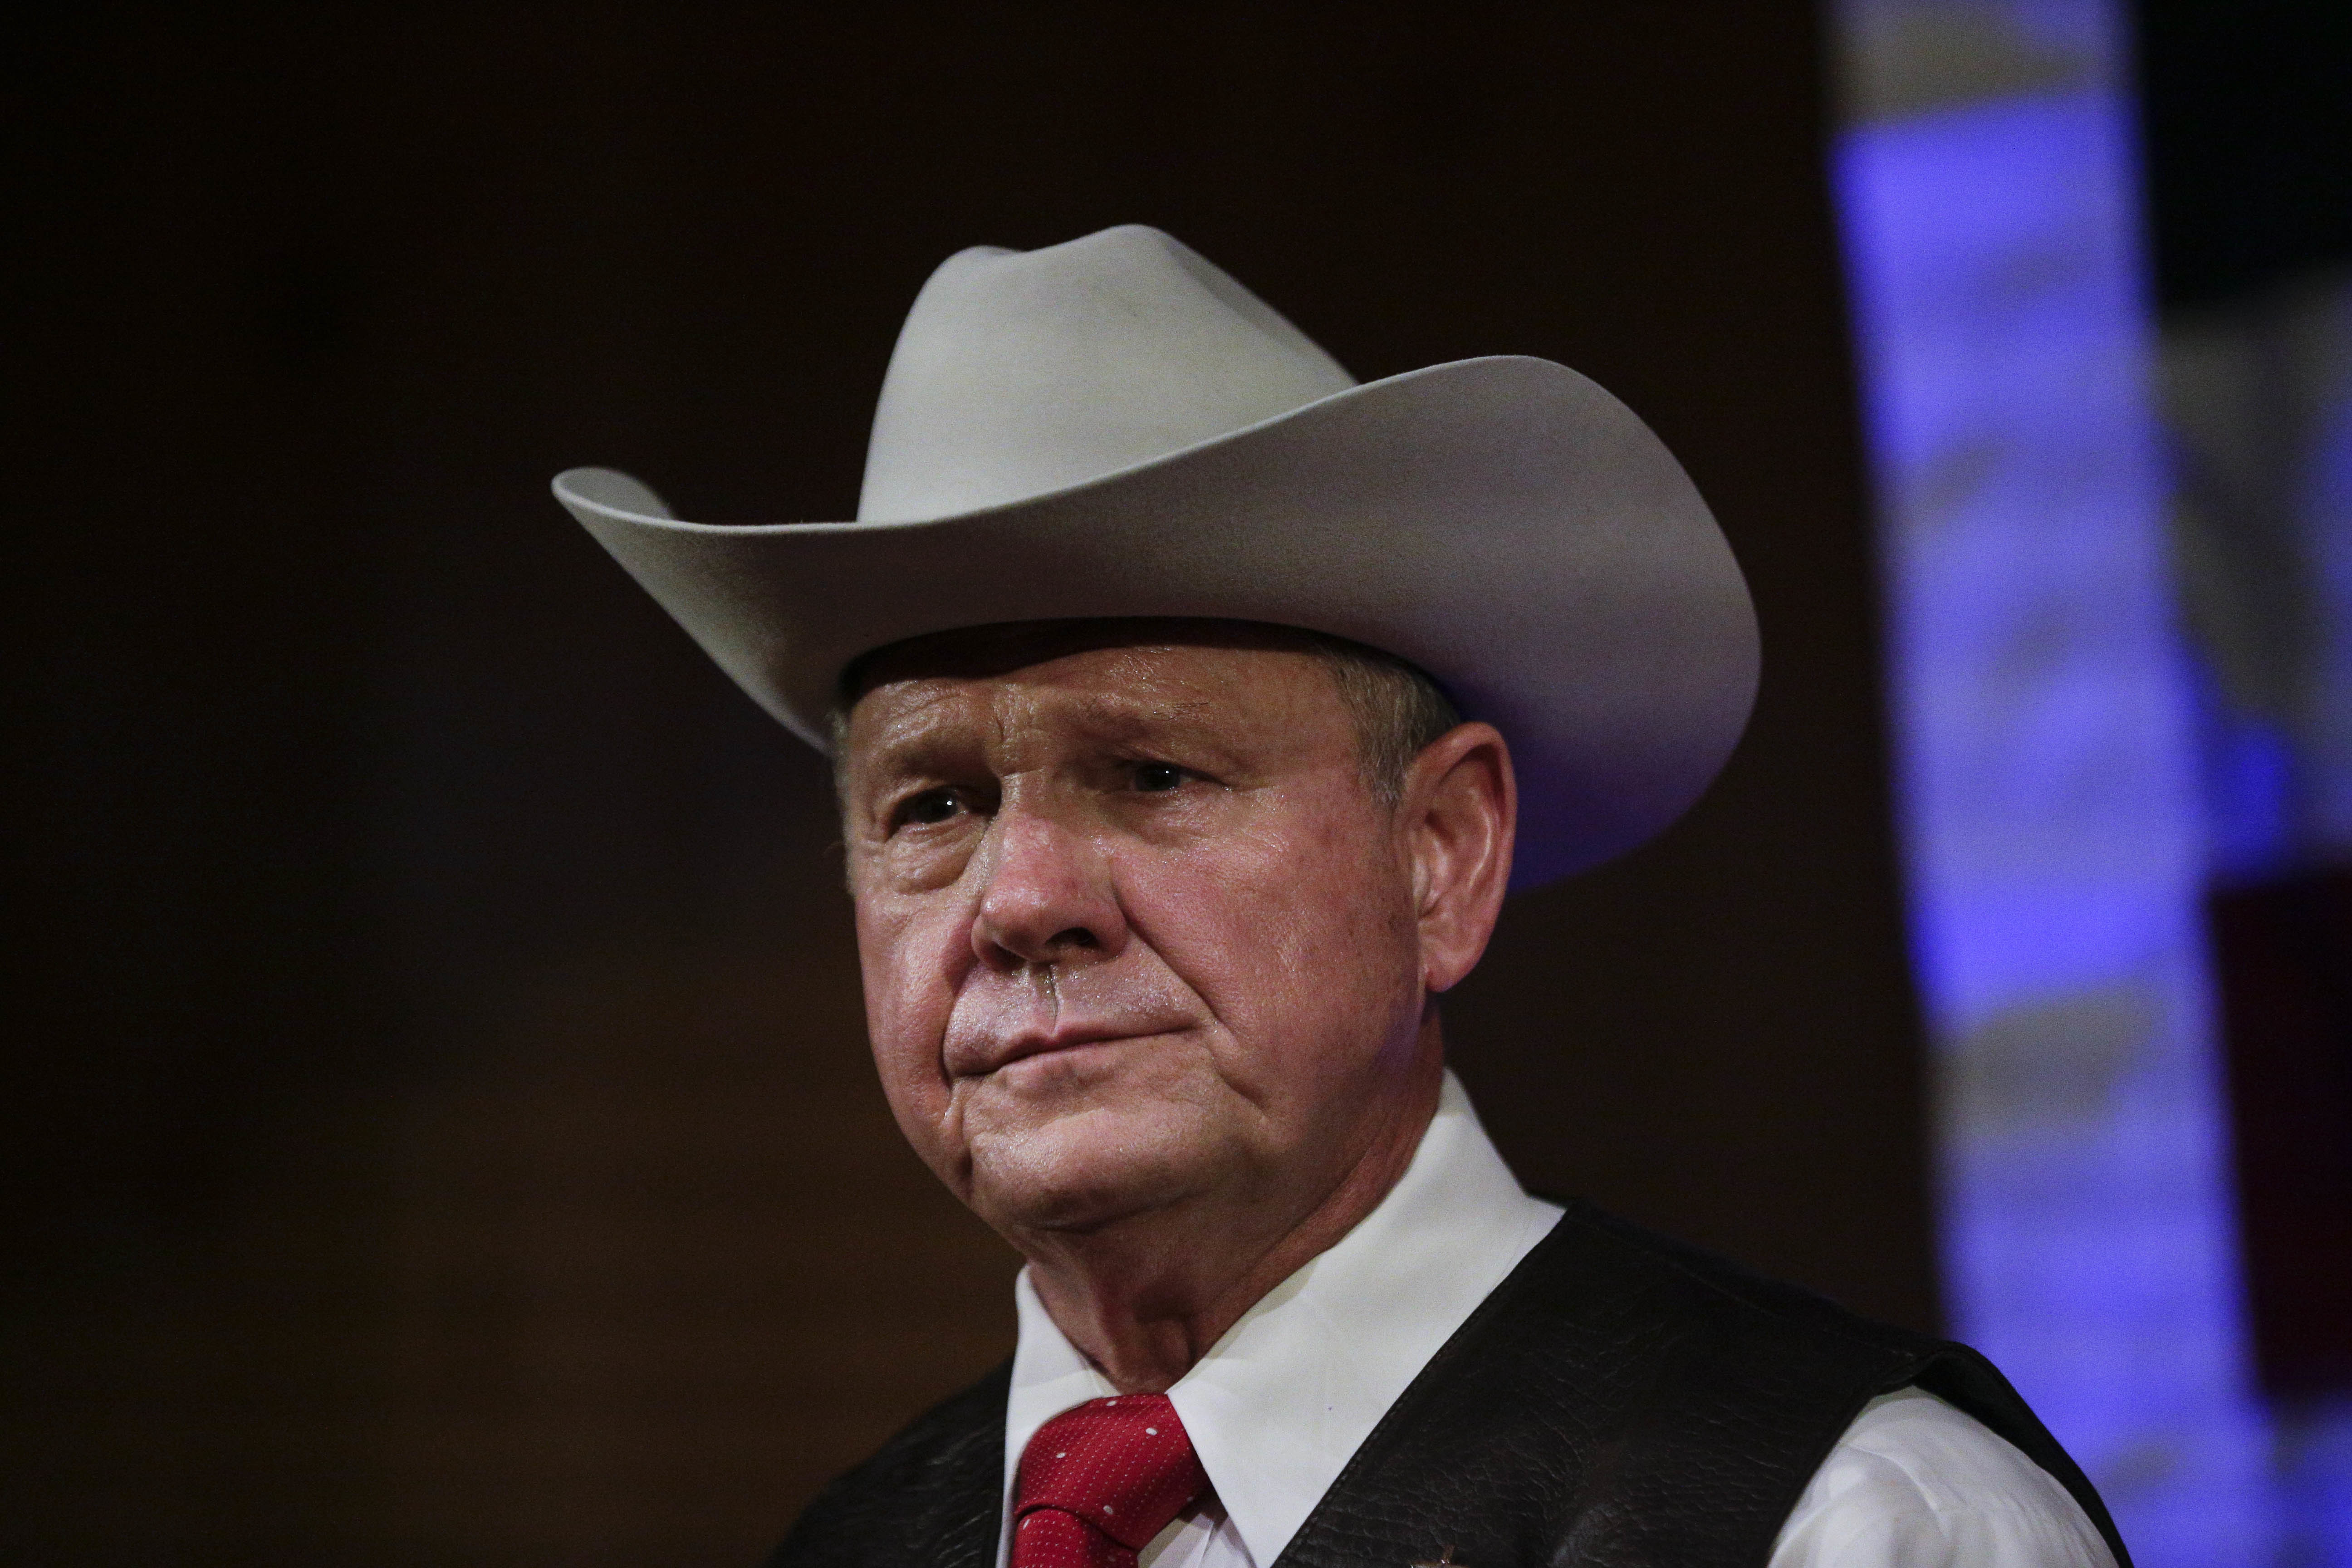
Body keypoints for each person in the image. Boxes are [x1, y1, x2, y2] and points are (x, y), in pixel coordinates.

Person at [554, 226, 2129, 1568]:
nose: (1022, 896)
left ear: (1441, 852)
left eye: (1156, 774)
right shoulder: (852, 1546)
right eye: (935, 804)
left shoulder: (1843, 1523)